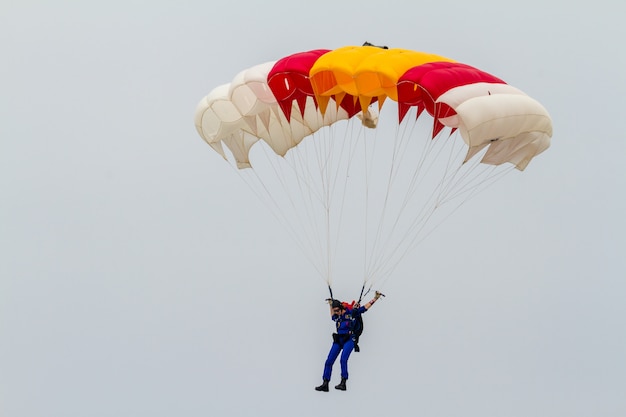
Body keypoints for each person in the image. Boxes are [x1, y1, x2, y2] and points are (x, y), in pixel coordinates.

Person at [315, 291, 383, 392]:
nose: (336, 313)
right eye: (335, 311)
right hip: (339, 340)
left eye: (337, 310)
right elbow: (332, 316)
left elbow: (364, 308)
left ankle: (343, 382)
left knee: (343, 359)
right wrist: (330, 304)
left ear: (342, 309)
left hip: (349, 339)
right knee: (329, 361)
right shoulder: (337, 316)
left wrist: (375, 299)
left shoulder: (352, 313)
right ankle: (325, 383)